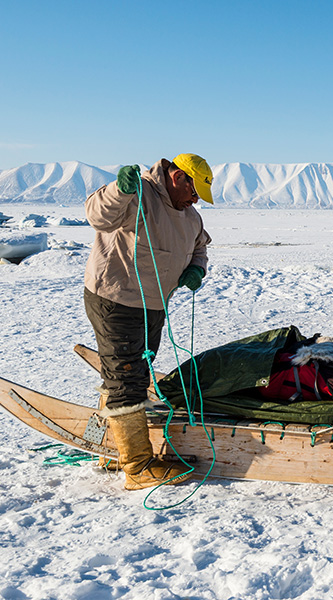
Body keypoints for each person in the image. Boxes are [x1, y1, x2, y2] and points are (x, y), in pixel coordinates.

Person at [83, 153, 214, 490]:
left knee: (133, 374)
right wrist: (120, 189)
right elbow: (98, 216)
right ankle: (137, 468)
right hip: (116, 300)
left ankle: (111, 449)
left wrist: (196, 267)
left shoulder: (191, 217)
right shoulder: (138, 194)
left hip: (153, 307)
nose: (195, 198)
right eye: (194, 189)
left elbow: (200, 247)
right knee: (126, 378)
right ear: (178, 177)